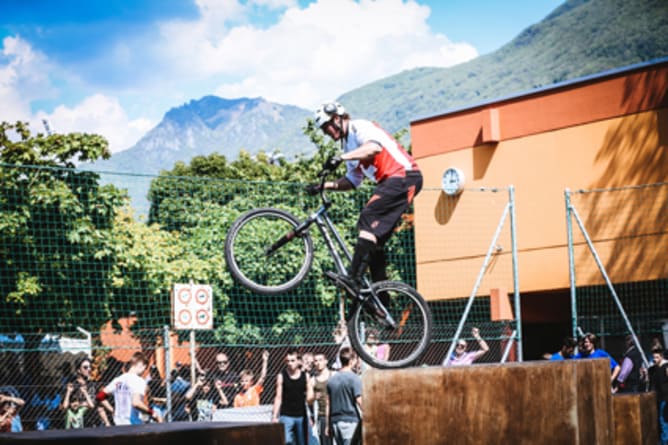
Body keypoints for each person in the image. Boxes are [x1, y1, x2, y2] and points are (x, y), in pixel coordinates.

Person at [308, 101, 423, 303]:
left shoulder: (358, 127)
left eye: (326, 128)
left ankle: (354, 279)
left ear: (336, 119)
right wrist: (324, 186)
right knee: (374, 242)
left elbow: (373, 148)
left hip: (404, 176)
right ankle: (382, 298)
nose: (326, 133)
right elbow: (353, 181)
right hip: (391, 181)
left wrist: (341, 158)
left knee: (368, 219)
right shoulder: (347, 145)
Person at [96, 352, 162, 425]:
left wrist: (113, 410)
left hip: (118, 424)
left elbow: (100, 396)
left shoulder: (118, 380)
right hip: (133, 425)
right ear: (141, 365)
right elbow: (136, 403)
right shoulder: (138, 381)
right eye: (145, 368)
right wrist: (152, 413)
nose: (144, 371)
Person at [272, 349, 313, 445]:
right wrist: (274, 416)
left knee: (302, 442)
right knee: (287, 442)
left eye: (292, 360)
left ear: (299, 361)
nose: (290, 363)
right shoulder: (281, 376)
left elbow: (309, 398)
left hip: (301, 416)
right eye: (288, 361)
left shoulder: (305, 376)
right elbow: (278, 397)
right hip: (286, 415)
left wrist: (310, 416)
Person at [326, 347, 362, 445]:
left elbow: (328, 404)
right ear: (352, 361)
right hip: (350, 422)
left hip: (335, 422)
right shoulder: (354, 379)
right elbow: (360, 401)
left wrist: (327, 425)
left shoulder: (331, 380)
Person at [312, 352, 333, 445]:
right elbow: (308, 399)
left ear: (326, 361)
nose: (318, 363)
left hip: (336, 414)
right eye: (316, 361)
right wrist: (313, 397)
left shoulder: (334, 376)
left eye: (320, 360)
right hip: (322, 415)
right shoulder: (313, 380)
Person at [649, 345, 668, 445]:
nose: (655, 359)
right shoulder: (655, 369)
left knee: (663, 420)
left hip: (665, 397)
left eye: (657, 357)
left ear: (661, 356)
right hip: (660, 397)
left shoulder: (665, 367)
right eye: (654, 357)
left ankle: (665, 441)